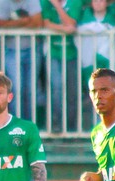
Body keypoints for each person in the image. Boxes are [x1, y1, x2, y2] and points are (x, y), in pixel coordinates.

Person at [0, 0, 43, 121]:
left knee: (32, 89)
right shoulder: (3, 2)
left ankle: (31, 124)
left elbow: (37, 22)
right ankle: (18, 124)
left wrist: (13, 24)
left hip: (32, 48)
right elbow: (1, 23)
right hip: (11, 50)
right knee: (16, 88)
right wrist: (24, 21)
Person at [41, 0, 82, 133]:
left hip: (72, 53)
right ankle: (57, 124)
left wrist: (57, 6)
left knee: (72, 91)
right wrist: (65, 29)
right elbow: (45, 23)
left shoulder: (75, 2)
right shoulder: (46, 2)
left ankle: (70, 127)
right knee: (56, 87)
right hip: (53, 52)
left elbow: (72, 23)